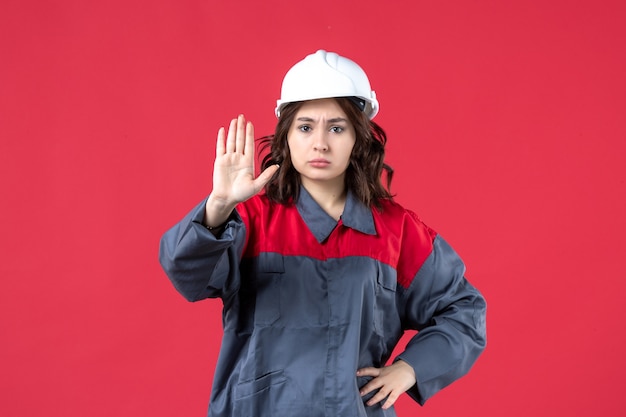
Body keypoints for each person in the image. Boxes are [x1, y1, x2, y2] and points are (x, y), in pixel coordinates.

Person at [159, 49, 487, 417]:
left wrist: (411, 369)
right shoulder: (248, 220)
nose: (320, 143)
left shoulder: (397, 231)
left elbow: (464, 309)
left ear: (358, 138)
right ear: (286, 137)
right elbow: (187, 275)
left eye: (336, 127)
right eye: (305, 127)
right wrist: (218, 206)